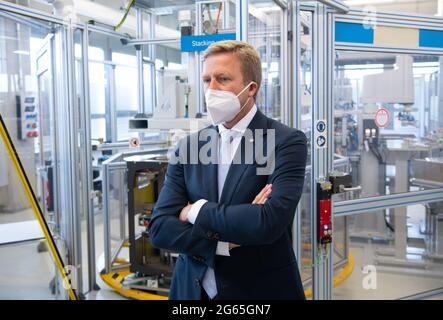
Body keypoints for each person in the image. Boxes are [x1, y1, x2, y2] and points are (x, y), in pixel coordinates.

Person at [148, 40, 307, 300]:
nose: (211, 89)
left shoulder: (283, 141)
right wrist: (224, 244)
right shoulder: (189, 146)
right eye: (206, 79)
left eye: (222, 79)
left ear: (251, 88)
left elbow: (268, 222)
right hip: (191, 291)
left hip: (258, 292)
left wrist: (194, 210)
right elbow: (160, 229)